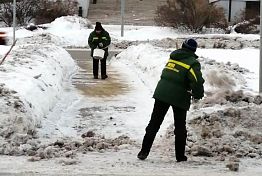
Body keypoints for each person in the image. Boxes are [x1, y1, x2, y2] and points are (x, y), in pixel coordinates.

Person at [137, 38, 205, 162]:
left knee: (154, 123)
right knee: (180, 126)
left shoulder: (173, 57)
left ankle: (143, 151)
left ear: (182, 46)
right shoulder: (192, 63)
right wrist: (198, 94)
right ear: (194, 50)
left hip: (162, 93)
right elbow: (197, 81)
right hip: (179, 96)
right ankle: (180, 156)